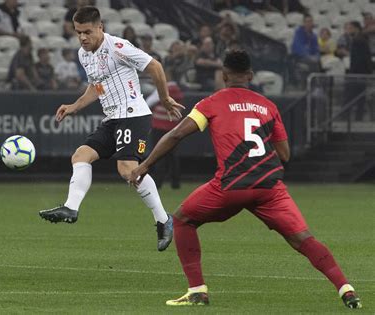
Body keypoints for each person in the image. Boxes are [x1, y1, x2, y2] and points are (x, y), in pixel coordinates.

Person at [129, 50, 362, 309]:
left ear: (224, 75)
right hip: (269, 188)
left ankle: (197, 291)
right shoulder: (268, 106)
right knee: (303, 239)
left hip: (229, 186)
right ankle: (345, 288)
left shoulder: (212, 103)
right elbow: (284, 154)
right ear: (250, 76)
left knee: (182, 220)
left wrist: (146, 165)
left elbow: (175, 136)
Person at [38, 6, 184, 251]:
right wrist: (75, 106)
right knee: (81, 155)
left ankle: (163, 219)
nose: (83, 37)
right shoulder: (84, 55)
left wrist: (165, 98)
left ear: (100, 28)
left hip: (134, 115)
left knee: (127, 169)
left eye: (87, 32)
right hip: (112, 118)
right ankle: (71, 208)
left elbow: (155, 67)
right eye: (78, 33)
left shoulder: (118, 47)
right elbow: (97, 87)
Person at [146, 72, 183, 189]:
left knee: (158, 154)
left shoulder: (163, 88)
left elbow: (149, 102)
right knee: (173, 156)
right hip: (174, 127)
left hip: (159, 126)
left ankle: (158, 182)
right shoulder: (177, 90)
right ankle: (175, 182)